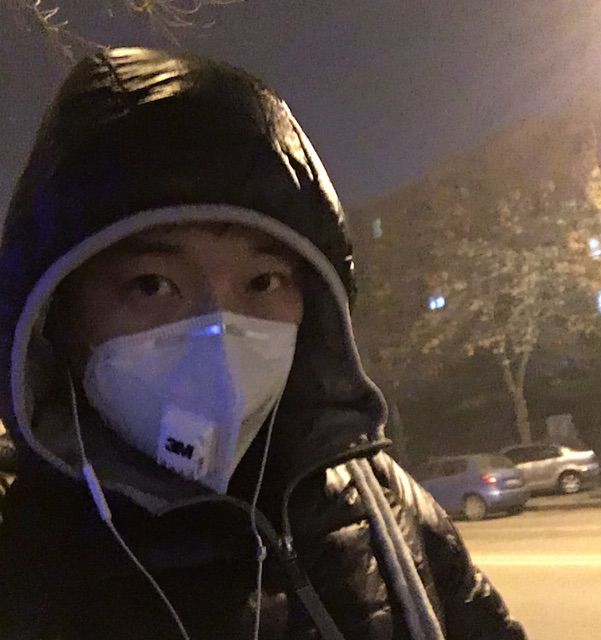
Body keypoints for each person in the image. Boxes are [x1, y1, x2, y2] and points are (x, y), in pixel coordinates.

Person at [0, 47, 526, 640]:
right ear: (54, 316)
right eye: (152, 285)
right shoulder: (22, 564)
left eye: (263, 282)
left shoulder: (386, 507)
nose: (218, 337)